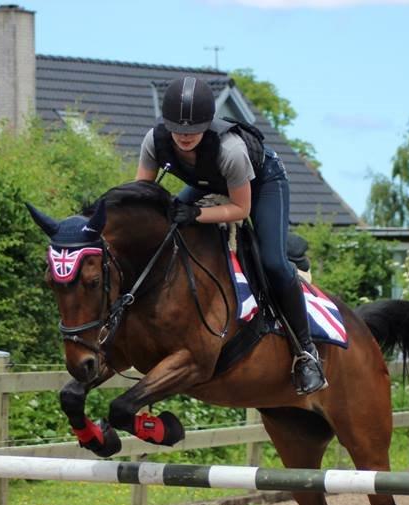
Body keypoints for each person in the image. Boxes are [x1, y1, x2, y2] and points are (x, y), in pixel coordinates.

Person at [135, 76, 327, 395]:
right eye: (177, 129)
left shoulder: (230, 149)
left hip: (262, 182)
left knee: (274, 263)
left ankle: (307, 354)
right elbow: (141, 194)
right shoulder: (153, 140)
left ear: (206, 124)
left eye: (193, 129)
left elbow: (239, 209)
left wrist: (195, 213)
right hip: (207, 181)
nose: (184, 136)